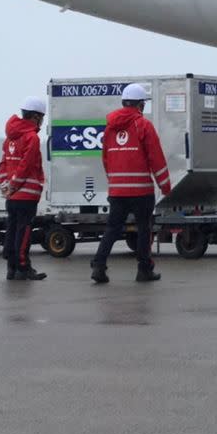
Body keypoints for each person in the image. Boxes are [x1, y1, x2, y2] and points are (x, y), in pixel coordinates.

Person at [90, 84, 171, 284]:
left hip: (117, 191)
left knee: (112, 229)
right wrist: (165, 185)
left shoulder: (109, 128)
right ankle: (144, 270)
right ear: (140, 105)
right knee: (144, 229)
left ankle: (99, 265)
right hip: (141, 191)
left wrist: (115, 182)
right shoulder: (143, 125)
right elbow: (156, 158)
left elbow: (106, 158)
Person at [0, 97, 47, 280]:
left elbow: (3, 164)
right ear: (35, 117)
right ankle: (23, 267)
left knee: (12, 229)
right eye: (41, 117)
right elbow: (26, 165)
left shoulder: (10, 138)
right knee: (24, 231)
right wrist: (14, 185)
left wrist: (5, 186)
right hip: (26, 195)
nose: (41, 121)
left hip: (12, 197)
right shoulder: (31, 137)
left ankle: (11, 268)